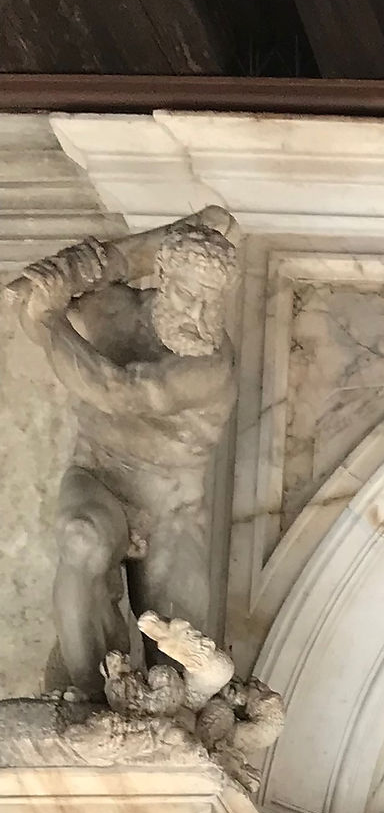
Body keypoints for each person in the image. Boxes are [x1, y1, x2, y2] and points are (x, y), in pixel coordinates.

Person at [8, 209, 239, 701]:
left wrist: (49, 314)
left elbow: (123, 392)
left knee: (180, 669)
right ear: (161, 277)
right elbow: (36, 319)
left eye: (210, 304)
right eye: (187, 295)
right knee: (81, 539)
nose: (198, 317)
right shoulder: (110, 311)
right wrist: (88, 270)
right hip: (102, 477)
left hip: (172, 509)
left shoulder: (210, 365)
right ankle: (88, 703)